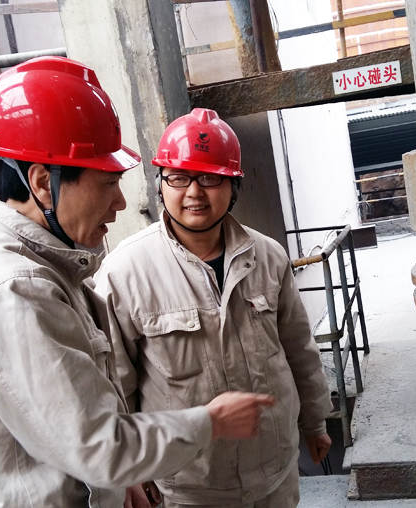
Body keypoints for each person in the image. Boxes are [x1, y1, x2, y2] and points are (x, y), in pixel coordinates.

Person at [0, 57, 274, 508]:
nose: (120, 202)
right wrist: (209, 422)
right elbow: (99, 446)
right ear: (44, 183)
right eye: (107, 183)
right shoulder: (13, 290)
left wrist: (115, 483)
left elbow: (74, 419)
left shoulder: (48, 268)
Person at [94, 108, 332, 508]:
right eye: (179, 177)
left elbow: (298, 348)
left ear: (233, 186)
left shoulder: (267, 256)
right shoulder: (125, 272)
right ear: (160, 183)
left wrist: (315, 420)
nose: (194, 192)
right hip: (190, 484)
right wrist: (131, 469)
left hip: (274, 470)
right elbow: (115, 382)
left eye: (209, 178)